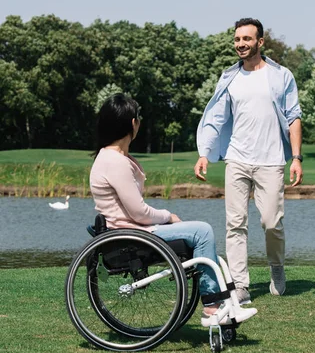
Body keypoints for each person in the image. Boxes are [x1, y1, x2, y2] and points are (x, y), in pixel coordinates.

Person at [90, 93, 257, 327]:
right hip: (133, 235)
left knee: (199, 233)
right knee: (202, 231)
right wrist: (169, 216)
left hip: (133, 231)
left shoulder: (112, 158)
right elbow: (138, 212)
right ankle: (212, 306)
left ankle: (222, 302)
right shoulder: (114, 161)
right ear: (132, 123)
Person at [195, 18, 303, 304]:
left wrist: (296, 158)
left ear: (260, 41)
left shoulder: (281, 76)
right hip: (237, 159)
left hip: (271, 161)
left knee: (271, 222)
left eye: (247, 39)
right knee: (235, 223)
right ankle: (240, 284)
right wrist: (204, 153)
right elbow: (216, 118)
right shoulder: (229, 78)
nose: (241, 44)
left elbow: (294, 117)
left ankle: (277, 267)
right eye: (237, 39)